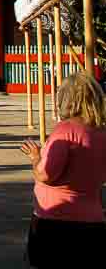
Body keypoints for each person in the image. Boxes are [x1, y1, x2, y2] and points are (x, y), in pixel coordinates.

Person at [21, 73, 106, 268]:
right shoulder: (101, 132)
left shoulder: (66, 130)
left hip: (57, 221)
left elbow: (46, 174)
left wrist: (36, 158)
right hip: (93, 218)